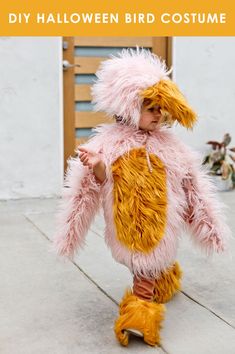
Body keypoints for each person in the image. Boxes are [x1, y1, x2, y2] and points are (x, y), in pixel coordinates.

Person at [53, 47, 231, 347]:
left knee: (147, 268)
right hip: (128, 224)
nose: (158, 114)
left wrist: (207, 223)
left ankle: (145, 302)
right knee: (143, 263)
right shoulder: (108, 143)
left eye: (161, 108)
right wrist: (97, 166)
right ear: (128, 106)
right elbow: (92, 186)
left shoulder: (170, 146)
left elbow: (192, 185)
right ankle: (151, 296)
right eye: (150, 108)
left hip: (161, 223)